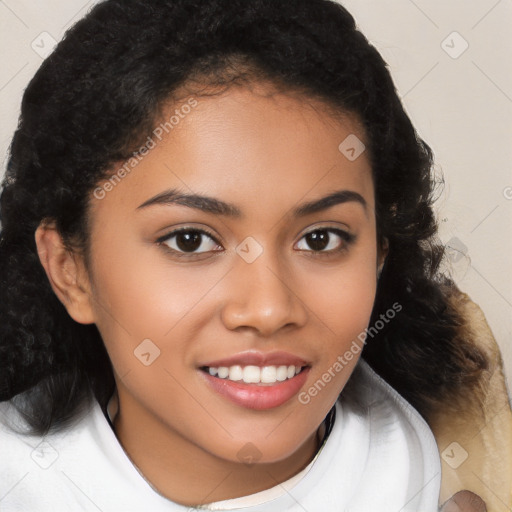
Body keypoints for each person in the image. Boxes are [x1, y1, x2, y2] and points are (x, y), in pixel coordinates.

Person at [0, 1, 510, 510]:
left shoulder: (440, 469)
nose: (268, 309)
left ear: (378, 254)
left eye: (320, 238)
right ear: (70, 271)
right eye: (189, 240)